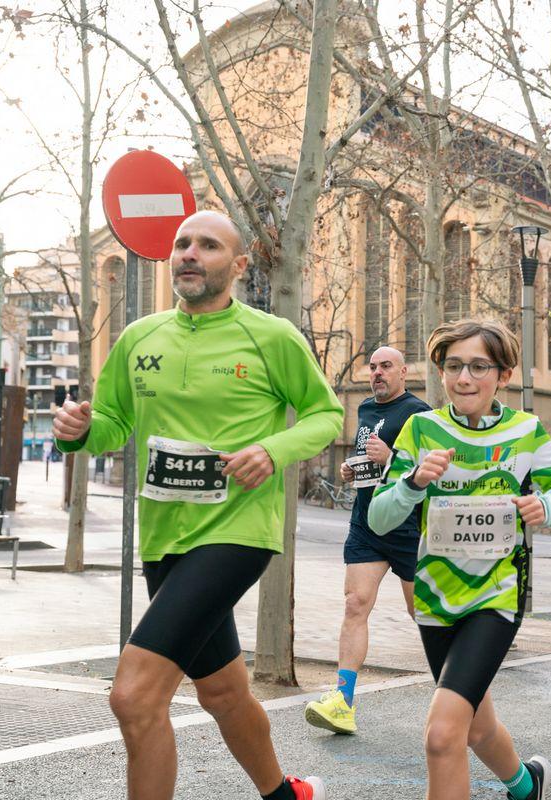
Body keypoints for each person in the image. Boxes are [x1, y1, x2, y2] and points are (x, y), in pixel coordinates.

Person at [54, 211, 341, 800]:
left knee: (134, 697)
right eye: (182, 243)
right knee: (222, 693)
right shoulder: (140, 338)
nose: (189, 253)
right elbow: (112, 424)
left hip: (237, 532)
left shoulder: (271, 336)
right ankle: (285, 796)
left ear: (237, 266)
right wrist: (77, 431)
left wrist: (272, 450)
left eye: (208, 245)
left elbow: (326, 414)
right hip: (164, 537)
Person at [368, 318, 551, 800]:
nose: (464, 378)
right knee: (477, 726)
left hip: (496, 597)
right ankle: (527, 785)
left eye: (479, 367)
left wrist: (545, 506)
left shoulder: (525, 430)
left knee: (443, 735)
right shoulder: (421, 428)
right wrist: (413, 482)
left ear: (503, 375)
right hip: (435, 600)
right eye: (453, 366)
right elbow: (379, 519)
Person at [304, 347, 429, 735]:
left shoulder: (420, 414)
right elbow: (368, 465)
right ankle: (342, 702)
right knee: (355, 604)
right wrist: (351, 469)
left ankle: (461, 688)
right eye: (373, 367)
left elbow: (431, 471)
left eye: (386, 366)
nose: (377, 373)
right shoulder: (364, 409)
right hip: (366, 524)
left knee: (422, 613)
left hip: (408, 527)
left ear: (403, 372)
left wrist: (391, 457)